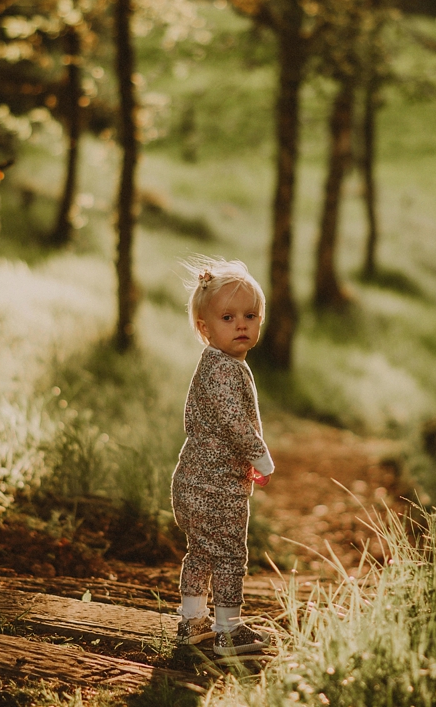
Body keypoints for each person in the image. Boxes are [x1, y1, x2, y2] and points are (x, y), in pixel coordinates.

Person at [172, 257, 275, 657]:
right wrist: (261, 457)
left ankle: (191, 621)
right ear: (205, 328)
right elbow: (234, 422)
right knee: (230, 553)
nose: (241, 325)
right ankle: (228, 630)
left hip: (194, 482)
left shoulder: (218, 365)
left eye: (250, 315)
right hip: (215, 487)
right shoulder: (223, 370)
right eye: (228, 317)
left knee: (200, 551)